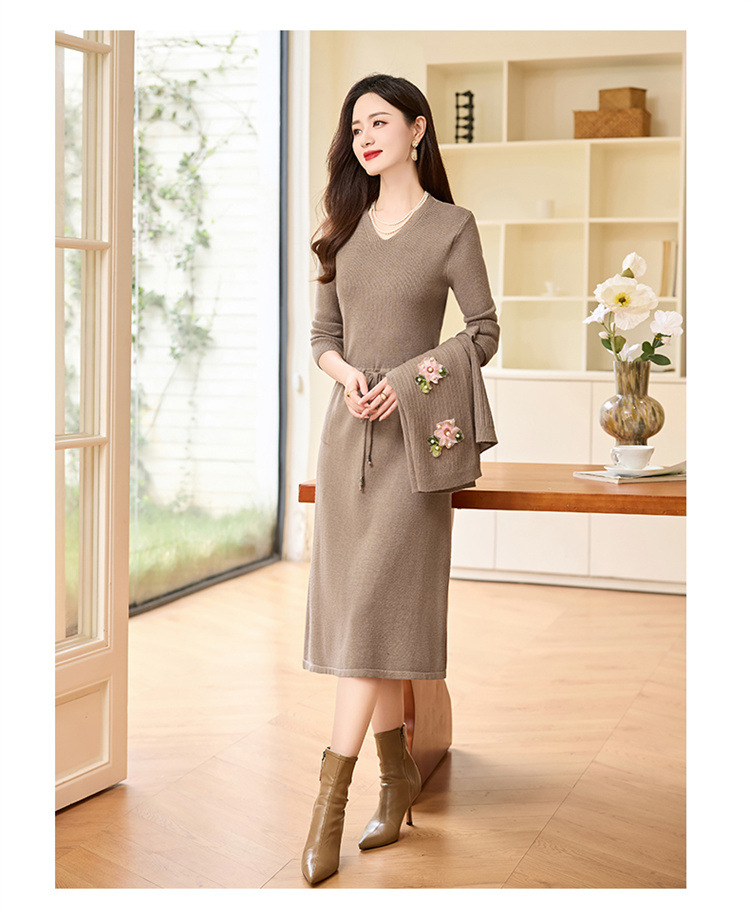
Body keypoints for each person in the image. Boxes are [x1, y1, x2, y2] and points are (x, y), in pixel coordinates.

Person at [301, 73, 500, 886]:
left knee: (371, 621)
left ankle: (327, 807)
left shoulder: (452, 226)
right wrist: (347, 374)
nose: (365, 138)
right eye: (356, 129)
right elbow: (322, 336)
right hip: (348, 445)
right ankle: (397, 778)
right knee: (368, 625)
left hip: (416, 451)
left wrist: (411, 377)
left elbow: (482, 332)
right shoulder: (342, 231)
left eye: (379, 122)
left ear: (418, 129)